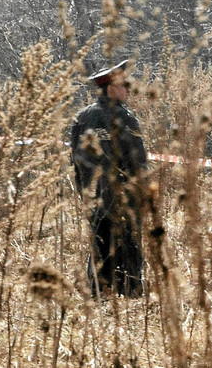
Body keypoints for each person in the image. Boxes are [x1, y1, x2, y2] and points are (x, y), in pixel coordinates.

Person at [70, 60, 148, 298]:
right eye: (124, 85)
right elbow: (138, 162)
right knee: (129, 246)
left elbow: (74, 160)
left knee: (100, 247)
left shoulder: (81, 118)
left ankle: (97, 295)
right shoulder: (125, 118)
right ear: (111, 89)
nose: (128, 90)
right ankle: (131, 295)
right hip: (124, 197)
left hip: (93, 197)